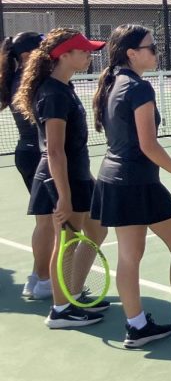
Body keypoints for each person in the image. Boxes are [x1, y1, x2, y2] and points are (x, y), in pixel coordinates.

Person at [91, 25, 171, 348]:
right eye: (151, 47)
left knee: (129, 254)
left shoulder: (113, 84)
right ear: (131, 53)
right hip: (138, 183)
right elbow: (148, 144)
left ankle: (136, 326)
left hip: (113, 179)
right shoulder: (138, 88)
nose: (157, 52)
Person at [14, 29, 109, 329]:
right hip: (62, 178)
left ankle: (73, 293)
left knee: (97, 229)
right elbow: (54, 151)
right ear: (63, 55)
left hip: (78, 175)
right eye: (82, 51)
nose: (89, 55)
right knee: (66, 242)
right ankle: (61, 309)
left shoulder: (63, 87)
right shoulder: (53, 94)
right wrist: (64, 196)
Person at [2, 33, 55, 300]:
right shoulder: (34, 80)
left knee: (45, 221)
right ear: (27, 55)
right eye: (42, 48)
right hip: (40, 156)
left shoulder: (17, 78)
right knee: (52, 222)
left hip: (28, 155)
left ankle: (38, 278)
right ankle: (45, 281)